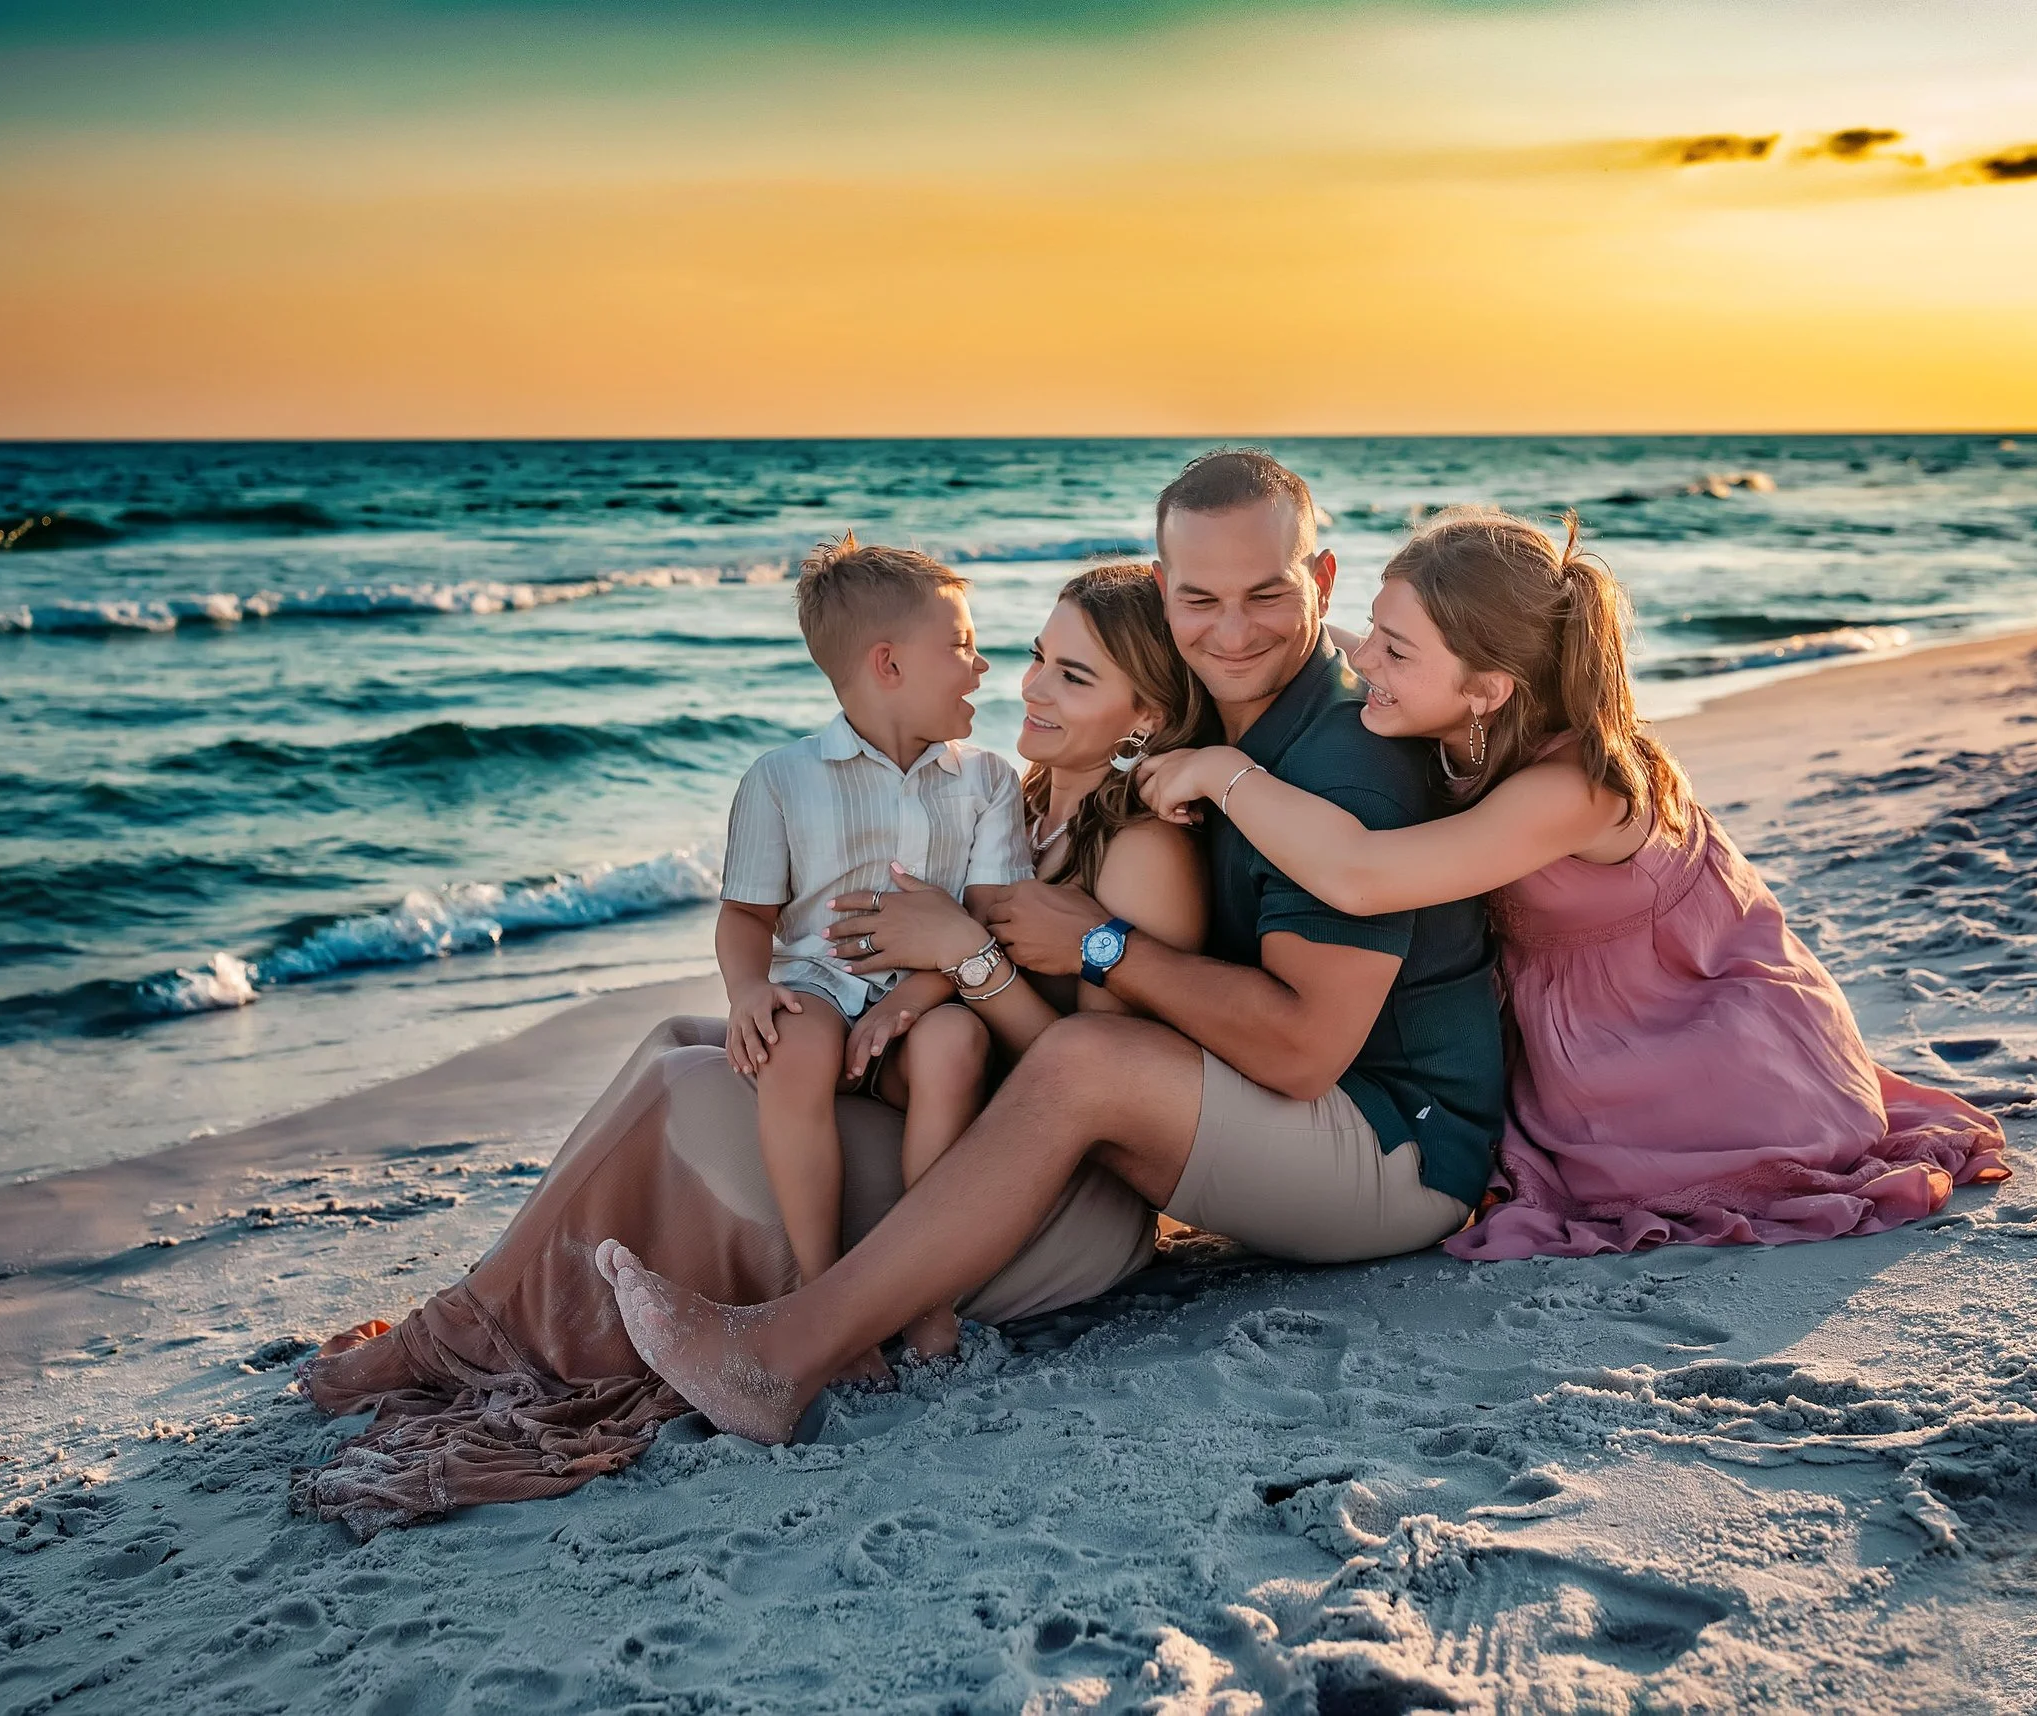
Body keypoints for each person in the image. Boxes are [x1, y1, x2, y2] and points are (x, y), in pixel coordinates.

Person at [599, 450, 1508, 1445]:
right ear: (1164, 589)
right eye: (1199, 599)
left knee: (1084, 1061)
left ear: (1320, 581)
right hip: (1281, 1108)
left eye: (1266, 594)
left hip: (1395, 1148)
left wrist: (1097, 946)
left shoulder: (1344, 766)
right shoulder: (1209, 727)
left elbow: (1302, 1055)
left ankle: (781, 1359)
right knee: (714, 1049)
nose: (1232, 630)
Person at [290, 562, 1209, 1535]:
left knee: (684, 1091)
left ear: (1146, 713)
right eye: (1036, 656)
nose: (1027, 684)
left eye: (1074, 675)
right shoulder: (1014, 799)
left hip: (1039, 1193)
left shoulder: (1142, 852)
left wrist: (965, 957)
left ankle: (484, 1333)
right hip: (954, 1120)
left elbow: (1095, 1085)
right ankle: (475, 1316)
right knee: (679, 1045)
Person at [1135, 505, 2011, 1258]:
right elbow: (1323, 646)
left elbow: (1361, 877)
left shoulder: (1574, 787)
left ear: (1487, 688)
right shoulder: (1462, 709)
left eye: (1395, 650)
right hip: (1581, 1034)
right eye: (1372, 629)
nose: (1365, 659)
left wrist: (1223, 773)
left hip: (1696, 1042)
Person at [717, 535, 1028, 1361]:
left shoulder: (989, 780)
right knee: (792, 1046)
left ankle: (922, 1289)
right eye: (961, 645)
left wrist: (907, 1003)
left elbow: (987, 925)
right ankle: (826, 1291)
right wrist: (747, 991)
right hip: (819, 984)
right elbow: (745, 915)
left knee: (956, 1045)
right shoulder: (780, 780)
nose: (982, 665)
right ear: (888, 664)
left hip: (934, 994)